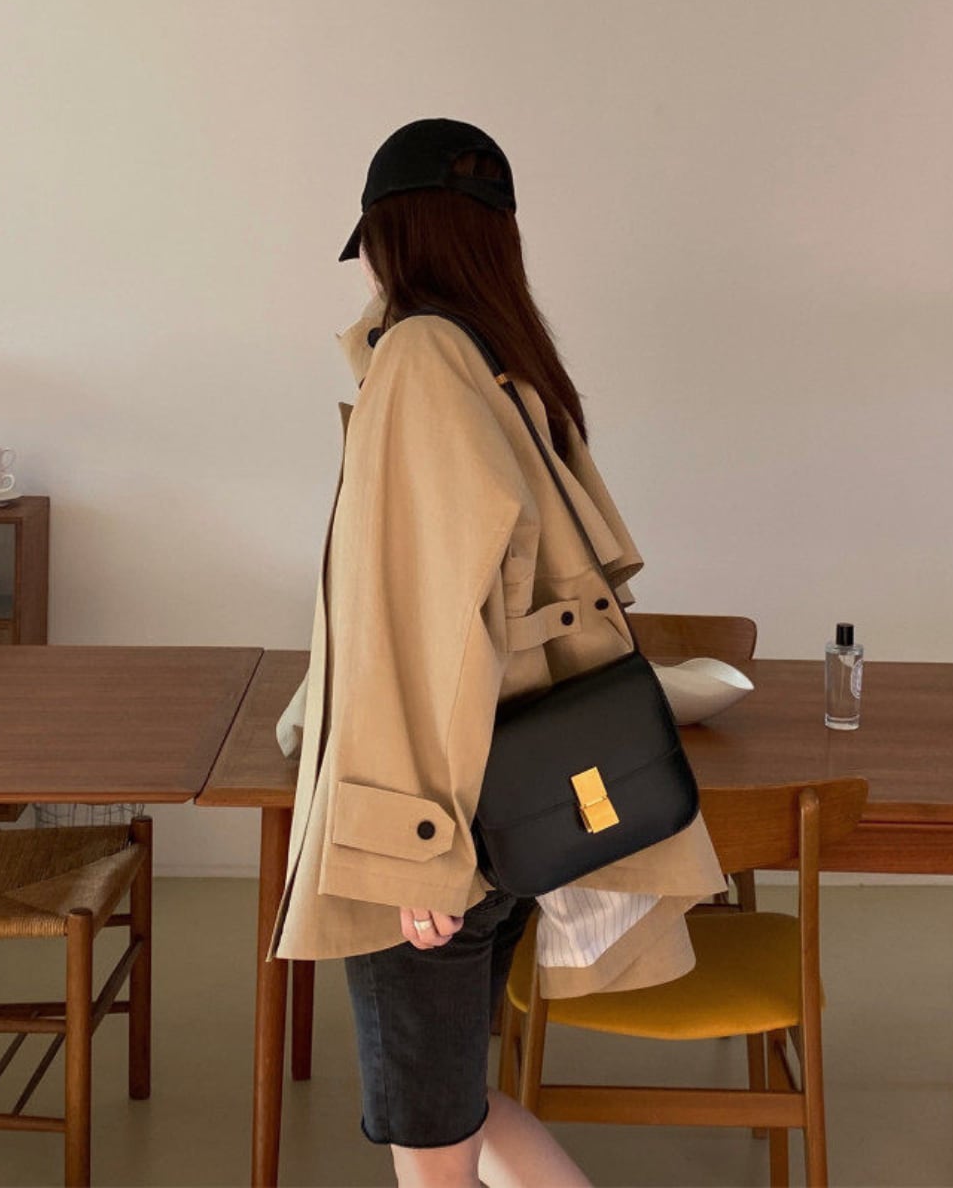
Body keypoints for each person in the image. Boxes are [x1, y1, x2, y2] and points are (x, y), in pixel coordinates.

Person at [271, 118, 724, 1188]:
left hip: (432, 831)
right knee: (451, 1118)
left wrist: (413, 848)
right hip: (498, 807)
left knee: (433, 1147)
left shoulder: (421, 362)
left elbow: (415, 623)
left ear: (391, 238)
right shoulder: (501, 361)